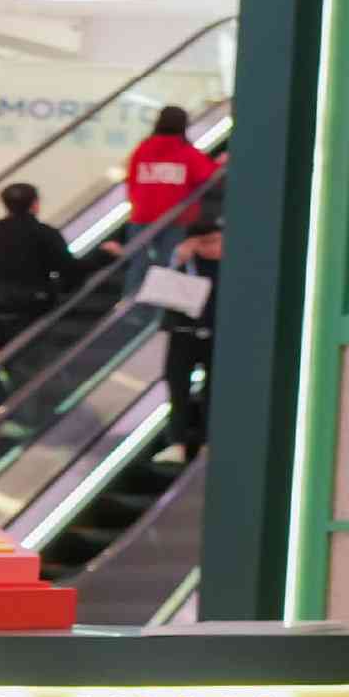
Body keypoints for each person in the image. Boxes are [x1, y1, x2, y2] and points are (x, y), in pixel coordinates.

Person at [0, 179, 85, 423]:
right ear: (35, 204)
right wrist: (100, 259)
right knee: (29, 368)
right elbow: (68, 271)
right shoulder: (43, 233)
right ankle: (32, 421)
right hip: (29, 313)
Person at [161, 221, 219, 460]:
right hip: (183, 333)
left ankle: (210, 442)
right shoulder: (185, 264)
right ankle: (177, 443)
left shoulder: (233, 264)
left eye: (218, 241)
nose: (216, 247)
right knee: (178, 388)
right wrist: (179, 259)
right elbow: (162, 289)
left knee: (215, 391)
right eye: (209, 242)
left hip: (216, 336)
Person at [123, 106, 212, 232]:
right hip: (174, 218)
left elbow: (131, 180)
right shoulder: (187, 152)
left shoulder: (142, 149)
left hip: (142, 215)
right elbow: (206, 175)